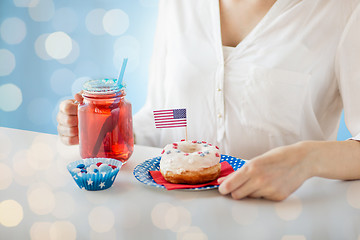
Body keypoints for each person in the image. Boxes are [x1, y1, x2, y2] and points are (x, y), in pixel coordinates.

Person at [57, 0, 360, 201]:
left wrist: (307, 159)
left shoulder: (343, 9)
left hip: (285, 219)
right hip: (175, 217)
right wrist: (111, 129)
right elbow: (172, 114)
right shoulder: (180, 5)